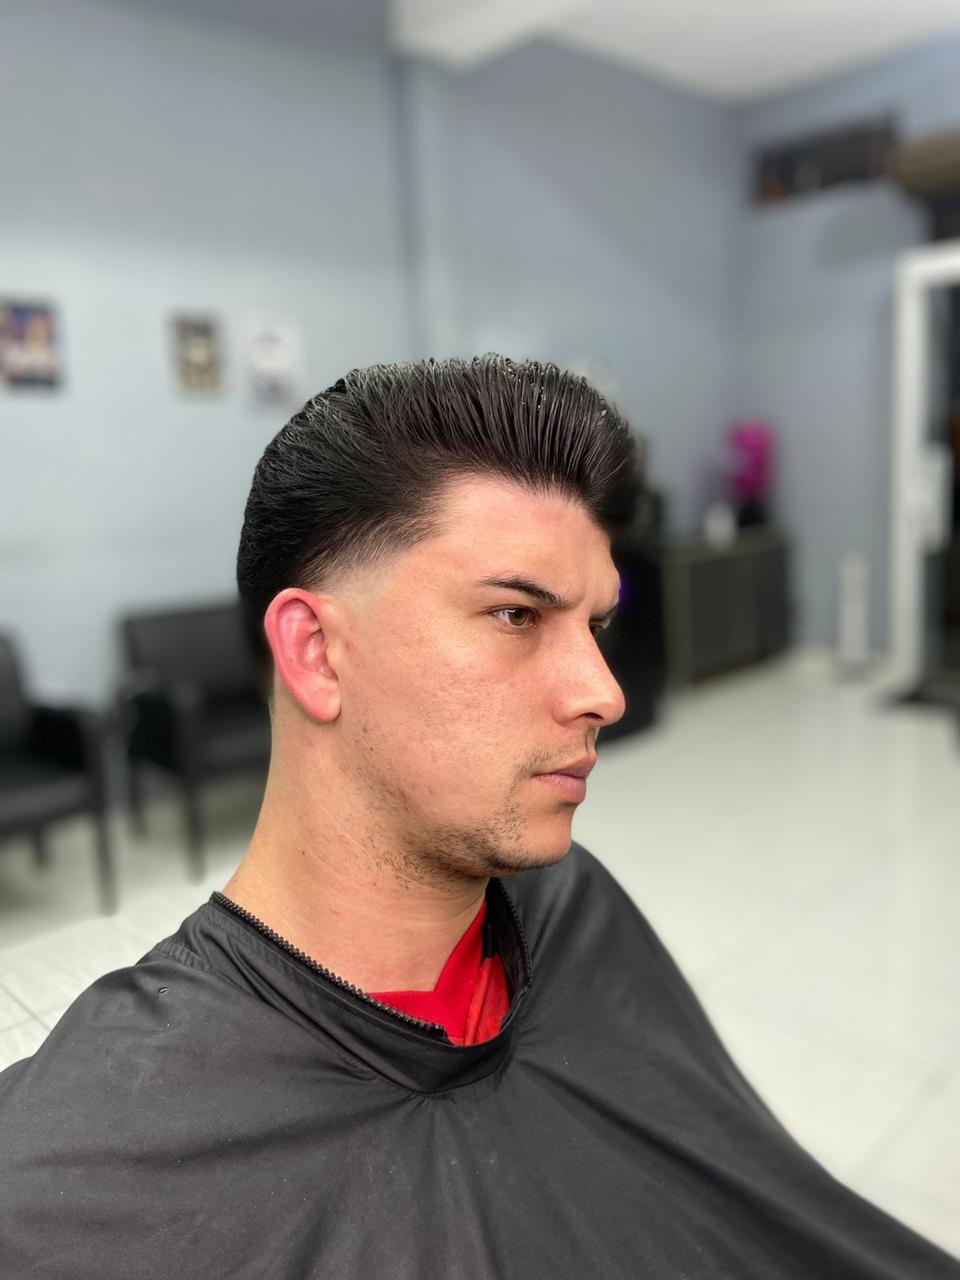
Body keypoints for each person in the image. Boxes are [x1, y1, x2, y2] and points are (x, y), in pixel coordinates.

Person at [0, 355, 956, 1279]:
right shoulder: (76, 1178)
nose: (604, 692)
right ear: (316, 653)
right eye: (515, 616)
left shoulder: (570, 906)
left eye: (596, 625)